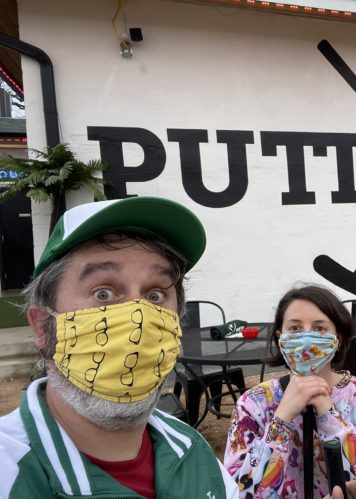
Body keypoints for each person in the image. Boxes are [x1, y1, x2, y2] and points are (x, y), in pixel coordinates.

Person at [0, 196, 239, 499]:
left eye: (155, 295)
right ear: (41, 325)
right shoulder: (9, 471)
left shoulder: (195, 454)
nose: (138, 317)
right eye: (103, 293)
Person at [223, 285, 356, 499]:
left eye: (319, 328)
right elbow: (234, 493)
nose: (306, 338)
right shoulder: (254, 403)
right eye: (295, 328)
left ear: (337, 338)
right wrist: (281, 419)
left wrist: (330, 416)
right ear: (280, 337)